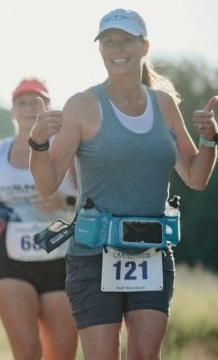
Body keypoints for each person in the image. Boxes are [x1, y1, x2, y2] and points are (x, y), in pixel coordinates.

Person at [29, 9, 217, 359]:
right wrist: (38, 142)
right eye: (108, 41)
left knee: (146, 356)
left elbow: (195, 176)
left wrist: (210, 141)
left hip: (152, 253)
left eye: (126, 40)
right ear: (100, 50)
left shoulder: (164, 104)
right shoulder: (82, 106)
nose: (117, 49)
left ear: (144, 46)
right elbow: (47, 183)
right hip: (94, 256)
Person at [0, 78, 78, 359]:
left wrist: (63, 200)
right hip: (8, 259)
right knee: (26, 350)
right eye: (22, 103)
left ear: (49, 108)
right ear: (12, 111)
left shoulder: (68, 151)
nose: (29, 109)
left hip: (61, 259)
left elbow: (89, 202)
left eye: (38, 102)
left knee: (61, 355)